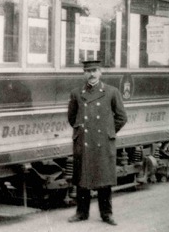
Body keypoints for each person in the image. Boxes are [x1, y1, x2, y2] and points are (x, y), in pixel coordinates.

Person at [67, 60, 127, 226]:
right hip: (84, 141)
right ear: (84, 73)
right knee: (82, 179)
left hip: (103, 141)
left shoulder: (111, 92)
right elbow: (72, 118)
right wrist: (83, 131)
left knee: (104, 180)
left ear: (101, 72)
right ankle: (81, 213)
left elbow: (122, 117)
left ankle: (107, 214)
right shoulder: (76, 93)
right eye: (88, 71)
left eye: (95, 70)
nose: (91, 74)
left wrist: (108, 131)